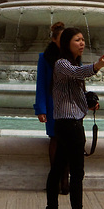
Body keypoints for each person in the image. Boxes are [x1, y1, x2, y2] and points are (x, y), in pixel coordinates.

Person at [45, 27, 104, 209]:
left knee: (58, 169)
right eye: (77, 40)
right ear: (67, 43)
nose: (82, 43)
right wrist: (97, 66)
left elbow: (74, 92)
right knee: (76, 174)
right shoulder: (62, 64)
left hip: (69, 123)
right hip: (70, 126)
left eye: (83, 39)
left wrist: (88, 102)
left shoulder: (72, 65)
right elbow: (78, 73)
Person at [34, 22, 69, 193]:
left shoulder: (74, 55)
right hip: (53, 103)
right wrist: (40, 109)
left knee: (69, 141)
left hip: (70, 105)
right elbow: (41, 84)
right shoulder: (45, 57)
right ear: (54, 40)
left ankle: (65, 178)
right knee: (55, 139)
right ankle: (55, 178)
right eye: (62, 38)